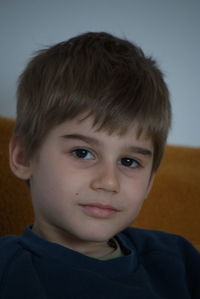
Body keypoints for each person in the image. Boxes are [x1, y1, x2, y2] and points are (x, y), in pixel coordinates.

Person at [0, 32, 199, 299]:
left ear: (150, 180)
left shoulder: (178, 260)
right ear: (23, 156)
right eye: (82, 153)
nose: (109, 181)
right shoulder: (7, 269)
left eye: (129, 161)